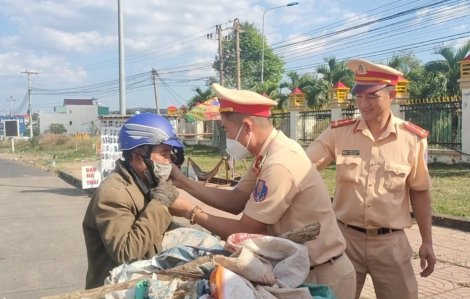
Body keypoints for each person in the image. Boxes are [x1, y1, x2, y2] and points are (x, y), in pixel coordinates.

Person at [169, 83, 356, 298]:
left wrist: (191, 212)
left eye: (227, 131)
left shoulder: (279, 163)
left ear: (247, 127)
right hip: (301, 269)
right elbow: (235, 200)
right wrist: (182, 181)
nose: (229, 139)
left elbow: (246, 229)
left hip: (323, 275)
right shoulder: (266, 155)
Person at [305, 59, 436, 299]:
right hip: (345, 242)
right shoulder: (339, 133)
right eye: (359, 96)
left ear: (392, 95)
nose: (363, 104)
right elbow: (302, 167)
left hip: (391, 245)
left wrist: (427, 241)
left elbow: (419, 190)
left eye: (372, 96)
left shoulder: (412, 139)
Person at [82, 113, 188, 289]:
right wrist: (160, 204)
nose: (170, 161)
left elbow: (155, 232)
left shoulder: (144, 182)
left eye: (171, 154)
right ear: (139, 156)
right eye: (164, 154)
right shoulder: (113, 193)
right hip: (117, 291)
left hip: (141, 284)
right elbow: (126, 252)